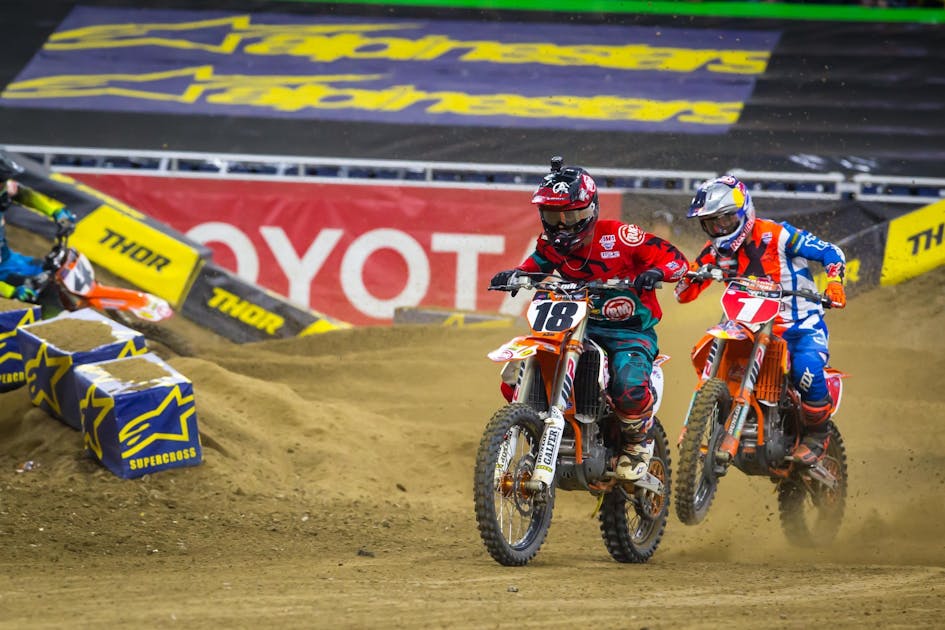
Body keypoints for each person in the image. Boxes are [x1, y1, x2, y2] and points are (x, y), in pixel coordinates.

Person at [490, 156, 689, 482]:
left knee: (627, 386)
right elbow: (536, 265)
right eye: (553, 216)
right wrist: (515, 275)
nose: (563, 226)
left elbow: (675, 259)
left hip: (628, 331)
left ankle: (638, 443)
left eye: (571, 215)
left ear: (590, 210)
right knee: (523, 369)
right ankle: (531, 423)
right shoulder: (552, 245)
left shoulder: (620, 236)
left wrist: (656, 272)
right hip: (576, 326)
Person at [674, 174, 846, 466]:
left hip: (798, 325)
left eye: (725, 220)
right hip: (745, 324)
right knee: (708, 348)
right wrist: (690, 276)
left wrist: (835, 283)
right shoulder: (715, 250)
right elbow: (683, 293)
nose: (719, 228)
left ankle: (818, 435)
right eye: (712, 223)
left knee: (806, 369)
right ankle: (708, 420)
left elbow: (830, 251)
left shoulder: (778, 235)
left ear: (744, 212)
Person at [0, 153, 75, 302]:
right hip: (3, 279)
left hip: (10, 260)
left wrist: (56, 211)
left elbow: (21, 193)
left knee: (55, 273)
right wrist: (11, 292)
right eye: (2, 182)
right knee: (45, 298)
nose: (6, 185)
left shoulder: (5, 188)